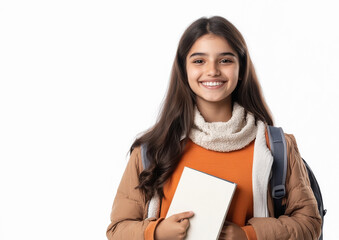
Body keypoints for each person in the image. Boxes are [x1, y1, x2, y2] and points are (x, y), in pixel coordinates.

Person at [106, 16, 321, 240]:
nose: (212, 71)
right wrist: (156, 232)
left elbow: (308, 225)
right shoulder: (152, 149)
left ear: (241, 68)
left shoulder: (276, 146)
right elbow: (117, 229)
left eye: (225, 60)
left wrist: (249, 235)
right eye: (199, 61)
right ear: (184, 69)